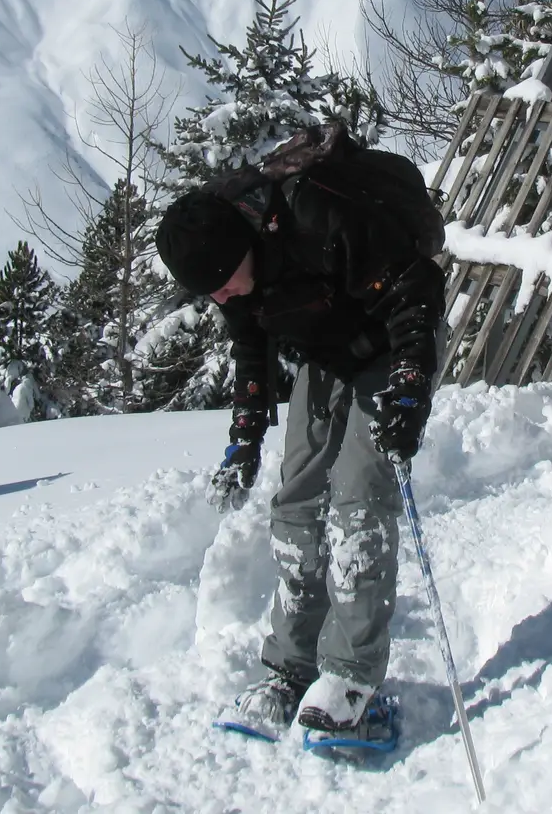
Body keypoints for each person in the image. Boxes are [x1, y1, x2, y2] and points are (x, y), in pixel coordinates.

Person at [154, 133, 446, 737]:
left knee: (358, 498)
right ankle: (291, 667)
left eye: (223, 283)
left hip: (397, 341)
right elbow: (251, 353)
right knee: (295, 503)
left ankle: (351, 675)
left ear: (244, 245)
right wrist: (244, 439)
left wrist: (411, 387)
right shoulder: (232, 273)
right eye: (209, 291)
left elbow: (416, 290)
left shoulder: (318, 216)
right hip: (328, 351)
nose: (222, 296)